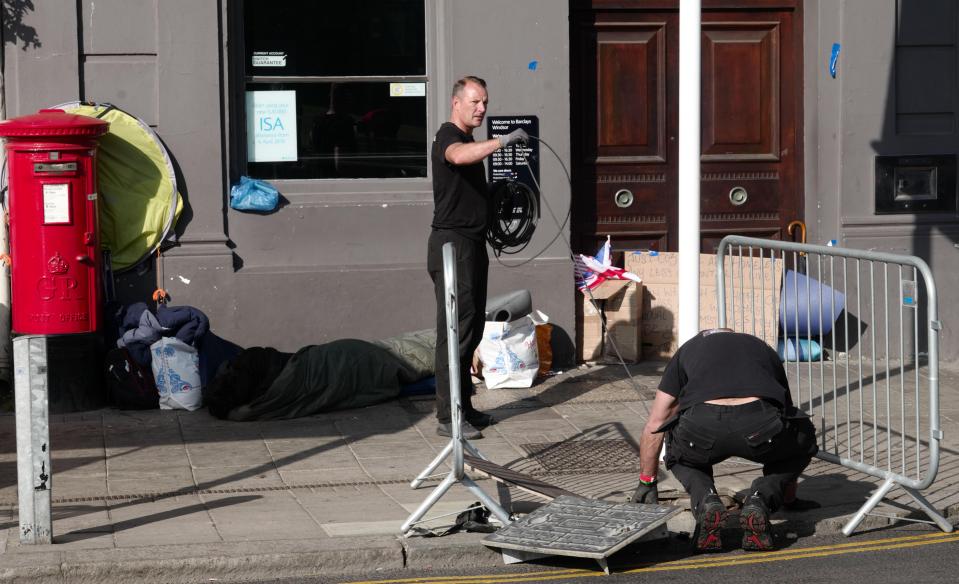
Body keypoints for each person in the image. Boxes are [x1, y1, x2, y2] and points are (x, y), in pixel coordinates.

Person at [630, 328, 819, 552]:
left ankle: (707, 502)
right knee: (802, 437)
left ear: (705, 335)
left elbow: (655, 423)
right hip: (759, 425)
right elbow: (785, 412)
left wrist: (647, 481)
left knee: (680, 454)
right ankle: (760, 500)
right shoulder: (761, 348)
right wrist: (787, 498)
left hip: (702, 428)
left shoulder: (688, 350)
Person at [428, 76, 528, 440]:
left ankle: (464, 408)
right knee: (452, 331)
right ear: (457, 102)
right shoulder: (448, 137)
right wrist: (502, 141)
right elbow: (457, 157)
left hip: (472, 244)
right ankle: (447, 418)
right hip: (451, 246)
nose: (482, 109)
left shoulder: (469, 139)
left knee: (469, 330)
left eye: (485, 102)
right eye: (475, 102)